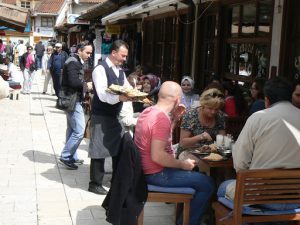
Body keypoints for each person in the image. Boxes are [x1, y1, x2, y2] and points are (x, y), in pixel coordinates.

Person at [134, 81, 214, 225]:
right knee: (207, 183)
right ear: (178, 99)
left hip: (144, 170)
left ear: (159, 95)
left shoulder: (149, 111)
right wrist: (182, 165)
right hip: (156, 174)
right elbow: (158, 156)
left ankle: (184, 219)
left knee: (196, 174)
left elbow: (162, 140)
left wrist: (175, 119)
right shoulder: (161, 119)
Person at [219, 77, 300, 211]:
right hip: (296, 199)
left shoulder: (258, 118)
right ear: (291, 96)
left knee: (223, 187)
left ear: (266, 100)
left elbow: (240, 163)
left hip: (260, 197)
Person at [88, 40, 131, 195]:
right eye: (123, 55)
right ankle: (95, 183)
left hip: (115, 115)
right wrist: (120, 98)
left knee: (119, 148)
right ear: (113, 53)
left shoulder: (120, 71)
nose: (124, 59)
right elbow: (102, 94)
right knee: (99, 148)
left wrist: (134, 93)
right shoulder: (100, 69)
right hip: (101, 114)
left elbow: (127, 87)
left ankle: (116, 180)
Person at [59, 41, 93, 170]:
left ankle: (71, 156)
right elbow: (73, 82)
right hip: (72, 100)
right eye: (87, 52)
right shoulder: (73, 62)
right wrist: (86, 85)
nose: (89, 55)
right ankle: (66, 156)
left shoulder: (75, 61)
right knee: (79, 131)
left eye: (90, 53)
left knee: (72, 130)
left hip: (71, 100)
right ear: (79, 51)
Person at [178, 88, 225, 162]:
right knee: (201, 164)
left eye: (216, 109)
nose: (213, 112)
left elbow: (222, 139)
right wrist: (200, 137)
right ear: (203, 105)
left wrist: (226, 141)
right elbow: (183, 143)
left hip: (211, 153)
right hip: (189, 151)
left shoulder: (220, 116)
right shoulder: (190, 115)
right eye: (210, 108)